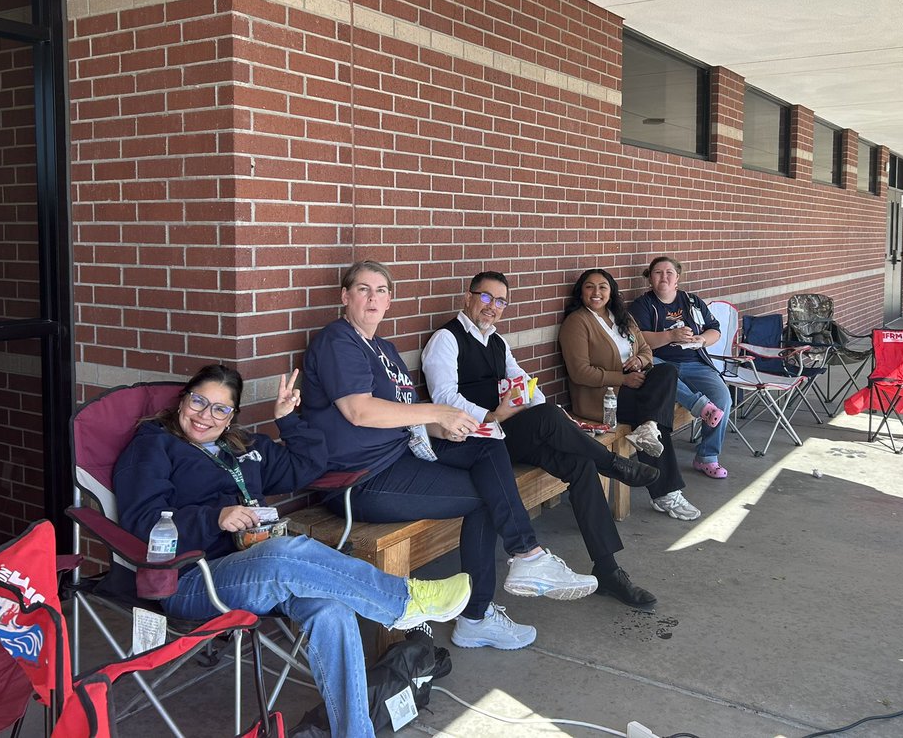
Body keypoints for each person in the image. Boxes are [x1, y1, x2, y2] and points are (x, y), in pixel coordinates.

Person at [114, 363, 473, 738]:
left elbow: (310, 466)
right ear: (183, 400)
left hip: (256, 568)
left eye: (220, 408)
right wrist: (214, 517)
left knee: (331, 609)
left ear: (232, 415)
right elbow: (143, 521)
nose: (205, 415)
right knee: (287, 553)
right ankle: (402, 601)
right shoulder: (154, 444)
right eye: (199, 401)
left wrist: (288, 420)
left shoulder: (241, 448)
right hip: (189, 579)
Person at [302, 260, 597, 653]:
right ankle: (483, 608)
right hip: (360, 479)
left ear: (390, 301)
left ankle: (524, 560)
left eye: (381, 291)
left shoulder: (384, 349)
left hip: (400, 455)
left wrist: (445, 427)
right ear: (345, 296)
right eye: (363, 289)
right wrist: (434, 412)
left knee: (486, 441)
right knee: (486, 497)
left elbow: (403, 418)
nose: (373, 298)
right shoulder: (339, 341)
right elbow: (359, 411)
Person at [422, 270, 661, 610]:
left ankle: (608, 570)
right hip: (473, 442)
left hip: (504, 435)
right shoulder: (446, 339)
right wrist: (494, 415)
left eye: (501, 301)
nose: (493, 307)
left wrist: (557, 416)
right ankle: (614, 465)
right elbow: (444, 398)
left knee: (577, 462)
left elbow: (524, 383)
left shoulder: (496, 341)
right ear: (468, 298)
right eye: (487, 297)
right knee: (549, 419)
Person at [559, 268, 701, 520]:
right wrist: (622, 378)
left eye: (603, 286)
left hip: (636, 385)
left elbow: (646, 349)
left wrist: (639, 360)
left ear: (611, 291)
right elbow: (580, 372)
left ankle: (648, 427)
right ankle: (666, 493)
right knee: (654, 420)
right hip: (604, 399)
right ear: (581, 292)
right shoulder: (577, 322)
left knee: (666, 372)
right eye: (589, 287)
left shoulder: (623, 317)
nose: (596, 292)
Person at [629, 255, 733, 479]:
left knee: (723, 398)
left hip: (695, 362)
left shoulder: (692, 301)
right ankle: (701, 407)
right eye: (657, 272)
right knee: (663, 374)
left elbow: (714, 329)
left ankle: (707, 458)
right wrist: (671, 335)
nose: (663, 276)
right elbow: (640, 340)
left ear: (677, 278)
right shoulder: (643, 305)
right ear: (650, 279)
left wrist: (701, 340)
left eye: (669, 272)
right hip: (660, 362)